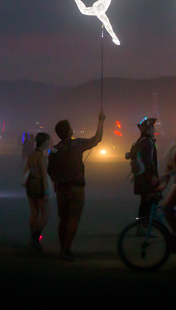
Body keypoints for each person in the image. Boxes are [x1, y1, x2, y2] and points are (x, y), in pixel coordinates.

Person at [48, 110, 105, 261]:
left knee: (63, 219)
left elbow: (50, 170)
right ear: (69, 131)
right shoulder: (76, 144)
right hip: (76, 187)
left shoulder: (54, 149)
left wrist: (56, 181)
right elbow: (97, 139)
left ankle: (62, 248)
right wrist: (101, 120)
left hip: (60, 188)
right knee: (73, 217)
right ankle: (66, 249)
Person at [24, 132, 51, 252]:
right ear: (44, 141)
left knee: (34, 213)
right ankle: (35, 237)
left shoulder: (31, 155)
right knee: (45, 214)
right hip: (39, 186)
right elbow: (44, 176)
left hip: (30, 185)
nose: (49, 142)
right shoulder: (41, 157)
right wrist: (46, 192)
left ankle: (32, 239)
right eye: (48, 140)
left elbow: (26, 171)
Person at [130, 117, 160, 219]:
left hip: (141, 176)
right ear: (148, 130)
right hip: (147, 177)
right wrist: (153, 176)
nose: (154, 130)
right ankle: (146, 226)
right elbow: (148, 161)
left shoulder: (140, 141)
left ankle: (142, 226)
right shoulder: (147, 142)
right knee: (150, 200)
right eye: (152, 128)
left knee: (144, 201)